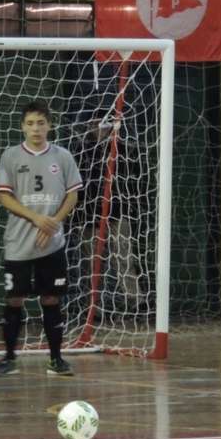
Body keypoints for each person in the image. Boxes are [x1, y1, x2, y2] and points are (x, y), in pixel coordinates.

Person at [0, 101, 83, 377]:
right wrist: (35, 217)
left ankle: (56, 359)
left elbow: (73, 194)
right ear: (22, 126)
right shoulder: (11, 156)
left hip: (52, 243)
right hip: (19, 243)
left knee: (51, 300)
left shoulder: (62, 156)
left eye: (41, 123)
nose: (35, 129)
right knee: (15, 299)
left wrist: (54, 221)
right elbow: (4, 196)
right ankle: (9, 358)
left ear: (50, 124)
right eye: (30, 123)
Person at [73, 113, 143, 318]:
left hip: (117, 215)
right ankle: (95, 307)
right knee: (91, 265)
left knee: (123, 261)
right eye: (92, 123)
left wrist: (129, 210)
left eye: (101, 123)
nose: (97, 127)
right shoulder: (81, 152)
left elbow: (134, 184)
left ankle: (136, 303)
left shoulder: (125, 151)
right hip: (88, 217)